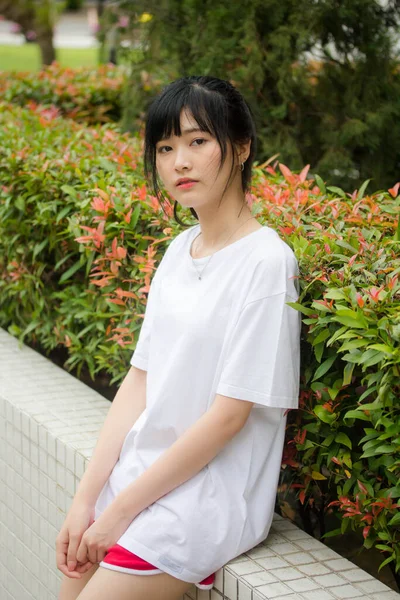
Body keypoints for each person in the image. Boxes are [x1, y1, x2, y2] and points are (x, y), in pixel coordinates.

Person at [56, 75, 301, 600]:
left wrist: (118, 513)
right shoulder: (179, 251)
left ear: (240, 147)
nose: (179, 163)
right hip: (141, 482)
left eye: (197, 141)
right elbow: (140, 379)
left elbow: (229, 417)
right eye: (165, 148)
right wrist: (87, 500)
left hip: (200, 500)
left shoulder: (266, 262)